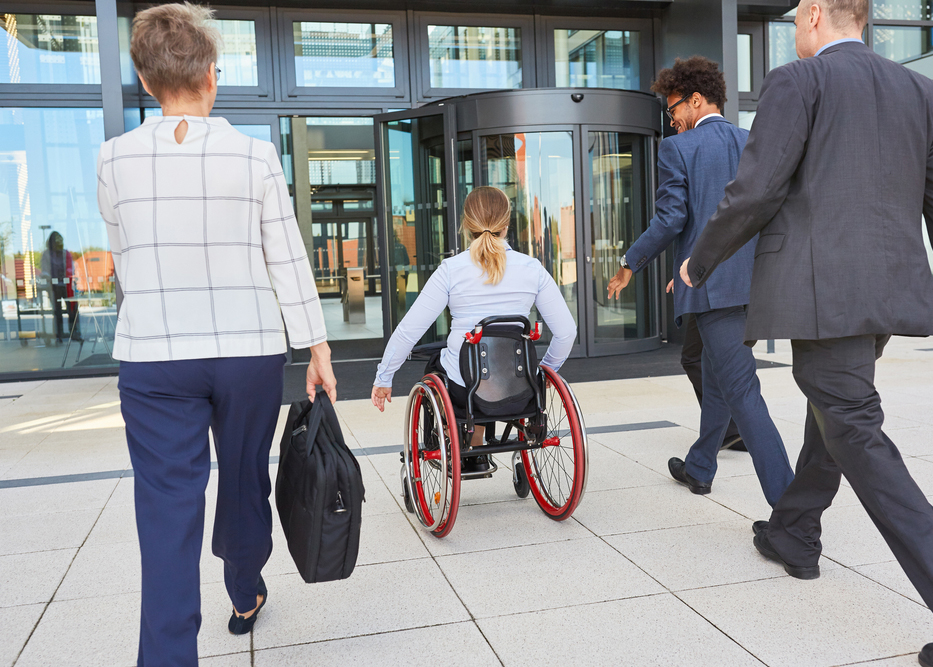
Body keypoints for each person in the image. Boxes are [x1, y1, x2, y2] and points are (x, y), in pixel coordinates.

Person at [679, 1, 933, 665]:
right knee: (835, 408)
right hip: (884, 293)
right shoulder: (917, 89)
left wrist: (701, 258)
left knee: (850, 422)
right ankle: (795, 529)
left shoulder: (799, 81)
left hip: (826, 294)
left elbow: (757, 187)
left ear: (818, 14)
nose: (796, 25)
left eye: (798, 14)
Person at [96, 4, 336, 665]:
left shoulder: (112, 160)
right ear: (211, 75)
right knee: (242, 478)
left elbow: (124, 258)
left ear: (145, 81)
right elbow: (286, 257)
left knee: (167, 511)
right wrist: (316, 346)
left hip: (154, 355)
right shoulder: (255, 156)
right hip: (246, 350)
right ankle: (245, 585)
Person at [607, 56, 792, 506]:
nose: (671, 122)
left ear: (695, 100)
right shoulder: (752, 142)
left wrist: (631, 262)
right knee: (715, 375)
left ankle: (791, 513)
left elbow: (673, 219)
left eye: (673, 110)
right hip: (753, 286)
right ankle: (700, 466)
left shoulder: (678, 150)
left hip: (715, 292)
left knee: (744, 394)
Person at [371, 186, 576, 468]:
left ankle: (462, 440)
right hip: (520, 385)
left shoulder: (451, 270)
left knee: (438, 363)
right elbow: (566, 332)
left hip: (463, 387)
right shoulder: (532, 268)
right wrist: (542, 374)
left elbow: (409, 330)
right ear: (506, 225)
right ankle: (480, 443)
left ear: (466, 226)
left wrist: (384, 377)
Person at [670, 278, 746, 452]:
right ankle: (731, 430)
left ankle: (733, 429)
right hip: (715, 285)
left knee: (695, 358)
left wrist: (693, 269)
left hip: (717, 289)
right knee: (703, 360)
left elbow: (716, 249)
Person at [40, 231, 81, 344]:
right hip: (54, 287)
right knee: (57, 311)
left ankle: (74, 332)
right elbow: (45, 270)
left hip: (67, 286)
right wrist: (47, 277)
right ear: (51, 243)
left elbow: (71, 269)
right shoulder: (47, 254)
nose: (58, 244)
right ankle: (59, 335)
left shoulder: (65, 254)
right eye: (56, 241)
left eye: (60, 241)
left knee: (73, 309)